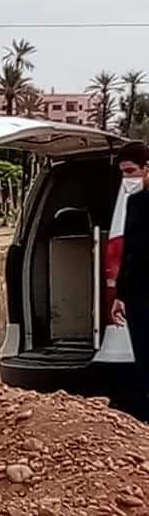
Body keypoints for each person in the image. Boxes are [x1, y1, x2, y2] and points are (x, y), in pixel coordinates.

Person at [112, 142, 149, 408]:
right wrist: (120, 295)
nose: (127, 178)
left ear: (147, 167)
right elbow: (129, 253)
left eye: (131, 171)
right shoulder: (135, 203)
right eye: (123, 173)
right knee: (144, 358)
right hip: (139, 295)